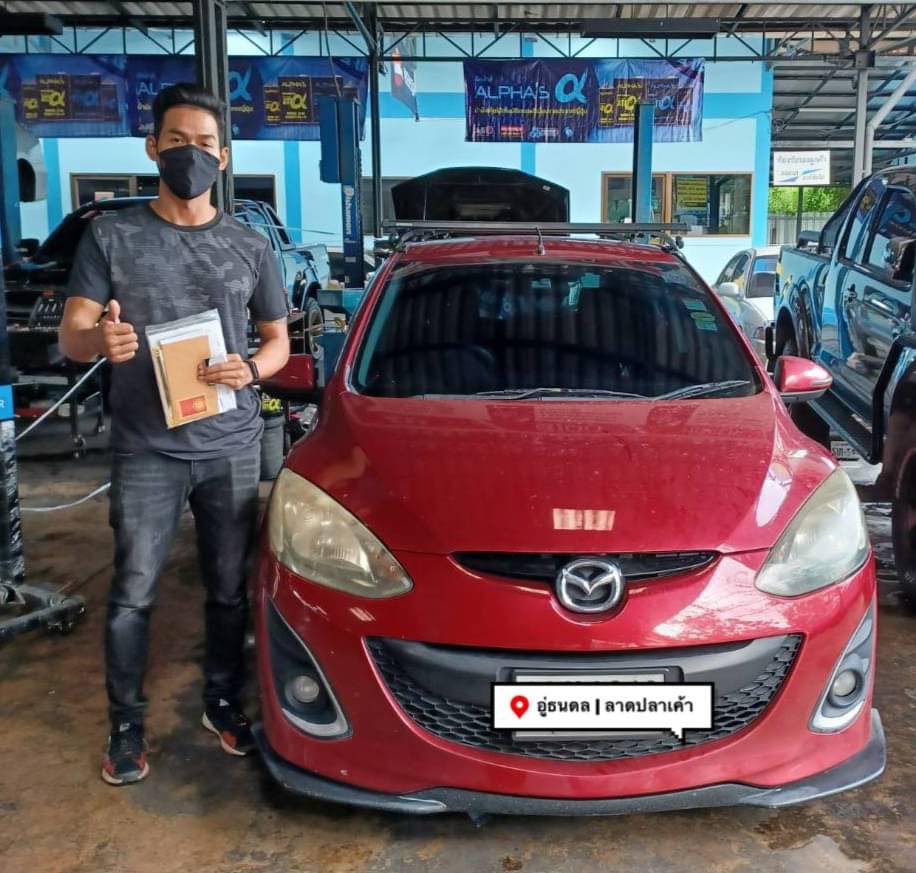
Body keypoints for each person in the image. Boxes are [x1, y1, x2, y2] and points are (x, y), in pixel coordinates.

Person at [59, 83, 290, 786]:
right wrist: (99, 342)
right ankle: (127, 724)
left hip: (229, 443)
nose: (192, 154)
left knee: (228, 588)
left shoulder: (250, 246)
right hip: (146, 448)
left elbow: (279, 341)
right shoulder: (112, 236)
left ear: (224, 156)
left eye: (205, 144)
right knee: (133, 589)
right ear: (153, 147)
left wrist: (251, 368)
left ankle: (221, 702)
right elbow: (72, 333)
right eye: (178, 141)